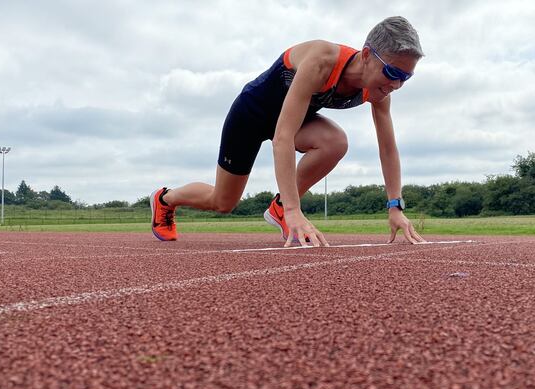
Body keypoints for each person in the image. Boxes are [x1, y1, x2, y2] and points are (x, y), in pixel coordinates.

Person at [150, 16, 426, 247]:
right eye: (392, 72)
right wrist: (296, 211)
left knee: (335, 142)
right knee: (223, 202)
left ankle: (280, 207)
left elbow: (388, 148)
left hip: (296, 123)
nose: (397, 84)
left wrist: (395, 207)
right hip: (251, 115)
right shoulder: (322, 60)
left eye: (406, 77)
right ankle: (165, 198)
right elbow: (282, 137)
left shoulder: (379, 92)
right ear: (367, 55)